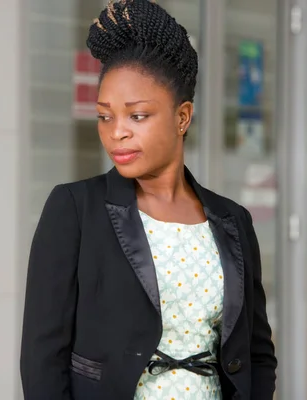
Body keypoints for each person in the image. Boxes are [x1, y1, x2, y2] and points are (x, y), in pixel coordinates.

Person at [20, 1, 277, 399]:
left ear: (182, 117)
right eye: (105, 116)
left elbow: (257, 352)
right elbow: (42, 359)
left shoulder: (233, 220)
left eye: (137, 116)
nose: (116, 132)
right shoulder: (74, 209)